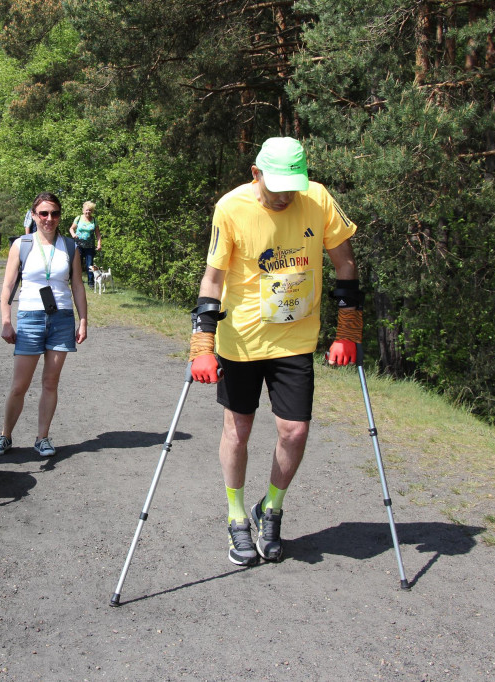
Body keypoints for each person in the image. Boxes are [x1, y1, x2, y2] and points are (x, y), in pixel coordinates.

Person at [189, 137, 362, 567]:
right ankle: (235, 517)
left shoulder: (317, 199)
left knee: (295, 431)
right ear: (255, 173)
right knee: (239, 430)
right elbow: (212, 280)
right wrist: (201, 344)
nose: (285, 195)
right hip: (242, 339)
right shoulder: (230, 208)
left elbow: (345, 264)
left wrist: (348, 330)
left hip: (295, 339)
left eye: (292, 186)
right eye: (276, 186)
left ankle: (271, 509)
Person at [0, 192, 88, 459]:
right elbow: (8, 286)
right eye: (43, 213)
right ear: (33, 216)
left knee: (50, 382)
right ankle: (5, 435)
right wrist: (6, 320)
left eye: (54, 213)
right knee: (19, 385)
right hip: (30, 317)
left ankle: (42, 437)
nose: (49, 219)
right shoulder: (21, 244)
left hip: (61, 319)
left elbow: (77, 285)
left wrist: (83, 320)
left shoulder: (70, 246)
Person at [69, 201, 102, 288]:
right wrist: (73, 234)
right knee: (77, 264)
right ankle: (75, 280)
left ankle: (91, 283)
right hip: (78, 245)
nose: (88, 212)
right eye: (87, 210)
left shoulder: (94, 220)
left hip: (90, 246)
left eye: (90, 210)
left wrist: (99, 244)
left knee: (89, 265)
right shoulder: (78, 218)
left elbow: (98, 234)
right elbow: (71, 229)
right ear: (83, 210)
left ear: (92, 211)